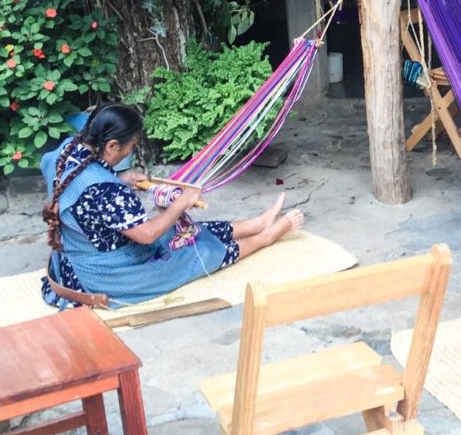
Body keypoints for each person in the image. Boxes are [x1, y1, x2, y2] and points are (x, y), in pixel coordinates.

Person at [40, 103, 303, 309]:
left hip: (73, 258)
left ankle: (257, 224)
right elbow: (146, 235)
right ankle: (265, 237)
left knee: (188, 232)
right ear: (111, 145)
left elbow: (79, 192)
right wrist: (179, 203)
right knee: (190, 253)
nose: (131, 152)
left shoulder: (67, 152)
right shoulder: (105, 191)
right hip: (107, 274)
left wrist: (120, 177)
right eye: (130, 147)